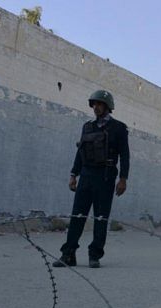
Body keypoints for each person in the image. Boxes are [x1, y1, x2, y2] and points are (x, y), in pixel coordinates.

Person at [55, 90, 130, 268]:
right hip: (86, 176)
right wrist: (74, 175)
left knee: (100, 218)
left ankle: (94, 255)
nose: (96, 107)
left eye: (100, 104)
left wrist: (123, 179)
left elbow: (125, 155)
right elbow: (80, 153)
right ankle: (68, 254)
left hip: (105, 177)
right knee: (77, 217)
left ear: (107, 107)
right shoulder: (87, 127)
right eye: (94, 104)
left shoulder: (118, 128)